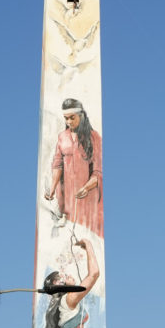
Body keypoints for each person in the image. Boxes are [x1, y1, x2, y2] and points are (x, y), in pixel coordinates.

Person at [45, 98, 103, 234]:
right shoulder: (62, 137)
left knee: (84, 232)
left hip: (87, 194)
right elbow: (57, 164)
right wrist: (52, 188)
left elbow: (98, 171)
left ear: (81, 116)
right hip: (66, 195)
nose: (69, 122)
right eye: (66, 119)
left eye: (72, 118)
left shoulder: (94, 137)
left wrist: (87, 187)